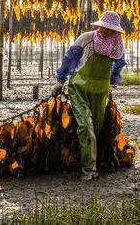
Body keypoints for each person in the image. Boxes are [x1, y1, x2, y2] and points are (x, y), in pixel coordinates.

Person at [54, 10, 126, 181]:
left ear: (115, 31)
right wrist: (60, 80)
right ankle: (89, 169)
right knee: (85, 125)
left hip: (101, 92)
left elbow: (119, 64)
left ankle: (97, 161)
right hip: (79, 88)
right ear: (99, 26)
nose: (105, 31)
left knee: (97, 127)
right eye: (104, 27)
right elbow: (69, 58)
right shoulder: (86, 38)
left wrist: (112, 81)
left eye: (110, 29)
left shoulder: (117, 45)